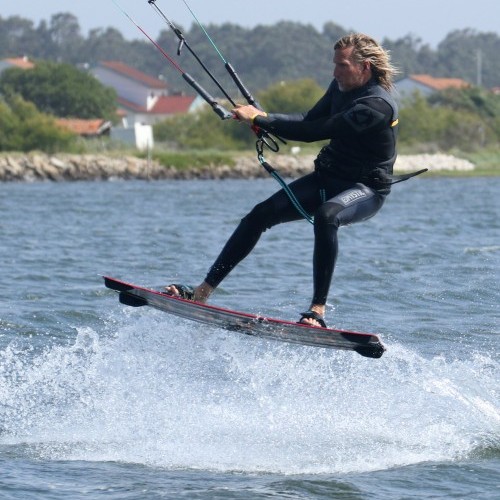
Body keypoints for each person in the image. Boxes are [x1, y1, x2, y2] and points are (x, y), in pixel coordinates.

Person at [167, 33, 399, 328]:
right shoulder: (340, 87)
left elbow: (315, 132)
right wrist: (261, 117)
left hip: (364, 189)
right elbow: (307, 118)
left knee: (328, 215)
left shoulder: (376, 105)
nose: (334, 72)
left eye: (341, 65)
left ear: (364, 66)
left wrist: (261, 119)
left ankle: (317, 311)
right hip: (327, 178)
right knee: (258, 216)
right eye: (334, 64)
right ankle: (202, 293)